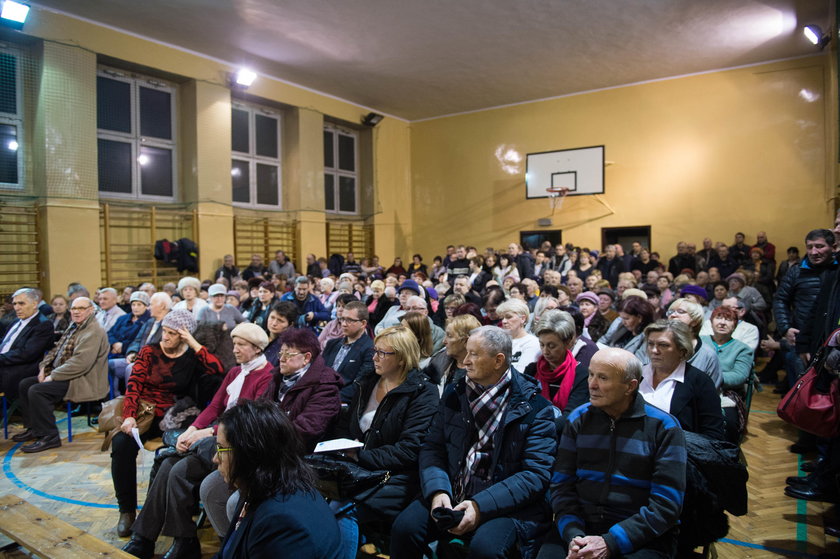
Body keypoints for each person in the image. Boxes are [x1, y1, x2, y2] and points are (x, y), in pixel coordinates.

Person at [390, 326, 557, 559]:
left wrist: (479, 506)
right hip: (453, 490)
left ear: (498, 360)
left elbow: (535, 475)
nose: (465, 361)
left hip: (506, 503)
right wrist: (438, 490)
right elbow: (433, 447)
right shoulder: (455, 393)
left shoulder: (536, 409)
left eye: (474, 354)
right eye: (466, 352)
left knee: (486, 549)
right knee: (404, 528)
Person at [121, 324, 274, 559]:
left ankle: (178, 540)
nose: (234, 349)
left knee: (173, 465)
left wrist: (203, 434)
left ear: (256, 348)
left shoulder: (266, 375)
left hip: (236, 444)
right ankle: (154, 539)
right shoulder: (236, 372)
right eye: (234, 344)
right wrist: (192, 429)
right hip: (215, 437)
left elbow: (246, 421)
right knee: (170, 466)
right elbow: (214, 406)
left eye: (241, 345)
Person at [537, 347, 687, 559]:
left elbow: (666, 506)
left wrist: (610, 542)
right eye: (591, 374)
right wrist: (574, 535)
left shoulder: (663, 427)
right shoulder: (578, 419)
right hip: (582, 526)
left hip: (641, 533)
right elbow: (562, 485)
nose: (592, 384)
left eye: (603, 378)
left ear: (630, 386)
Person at [199, 327, 342, 537]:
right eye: (281, 352)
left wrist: (258, 441)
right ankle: (230, 545)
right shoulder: (278, 378)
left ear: (306, 358)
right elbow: (255, 416)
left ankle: (250, 544)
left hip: (294, 461)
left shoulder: (325, 387)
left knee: (233, 503)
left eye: (288, 354)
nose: (281, 358)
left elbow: (304, 431)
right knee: (210, 489)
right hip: (262, 453)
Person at [111, 309, 225, 537]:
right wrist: (129, 415)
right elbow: (134, 385)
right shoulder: (149, 352)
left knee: (176, 447)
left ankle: (163, 508)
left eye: (173, 333)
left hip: (177, 413)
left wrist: (193, 342)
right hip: (146, 412)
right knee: (121, 444)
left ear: (183, 335)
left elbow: (217, 370)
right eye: (164, 331)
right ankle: (126, 511)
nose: (166, 337)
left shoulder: (190, 356)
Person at [330, 325, 439, 559]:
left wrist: (360, 456)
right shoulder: (368, 381)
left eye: (382, 353)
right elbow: (347, 425)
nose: (375, 357)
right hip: (357, 468)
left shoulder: (422, 392)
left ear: (401, 358)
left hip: (397, 476)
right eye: (375, 351)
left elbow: (410, 449)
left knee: (341, 508)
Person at [214, 400, 343, 558]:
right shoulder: (258, 489)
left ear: (250, 452)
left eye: (221, 448)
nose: (215, 458)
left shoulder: (282, 522)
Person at [14, 297, 109, 453]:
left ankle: (50, 437)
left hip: (83, 379)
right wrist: (43, 368)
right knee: (25, 384)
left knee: (37, 391)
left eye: (81, 308)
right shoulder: (74, 326)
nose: (76, 312)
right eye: (73, 308)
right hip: (66, 374)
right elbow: (55, 350)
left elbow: (81, 363)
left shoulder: (94, 331)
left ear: (91, 310)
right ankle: (35, 429)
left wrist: (53, 376)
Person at [639, 320, 725, 440]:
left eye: (663, 345)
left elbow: (712, 434)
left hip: (677, 452)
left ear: (682, 350)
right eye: (650, 344)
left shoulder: (700, 382)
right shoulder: (637, 374)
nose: (654, 350)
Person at [523, 309, 589, 420]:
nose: (545, 351)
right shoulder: (532, 370)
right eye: (542, 344)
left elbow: (570, 417)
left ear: (568, 343)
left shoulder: (581, 375)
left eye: (552, 346)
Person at [701, 306, 754, 443]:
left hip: (727, 392)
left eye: (728, 319)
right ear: (711, 322)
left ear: (735, 325)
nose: (722, 322)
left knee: (729, 423)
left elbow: (739, 376)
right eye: (718, 318)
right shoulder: (700, 341)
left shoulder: (743, 349)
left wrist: (706, 379)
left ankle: (726, 455)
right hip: (696, 388)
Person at [0, 288, 55, 400]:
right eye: (14, 303)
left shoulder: (43, 324)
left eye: (21, 303)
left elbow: (26, 353)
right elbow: (5, 342)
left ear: (35, 304)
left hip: (19, 368)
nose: (16, 307)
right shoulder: (16, 321)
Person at [323, 300, 375, 403]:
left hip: (340, 402)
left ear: (363, 323)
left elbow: (359, 386)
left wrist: (328, 398)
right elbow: (319, 371)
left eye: (349, 320)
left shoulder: (370, 349)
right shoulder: (332, 344)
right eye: (342, 319)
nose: (343, 324)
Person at [665, 298, 722, 388]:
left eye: (680, 311)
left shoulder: (708, 355)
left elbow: (710, 393)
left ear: (694, 321)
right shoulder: (658, 347)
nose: (673, 315)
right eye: (670, 312)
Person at [424, 313, 482, 394]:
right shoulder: (438, 361)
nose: (444, 341)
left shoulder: (482, 372)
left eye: (449, 336)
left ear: (466, 341)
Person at [597, 296, 655, 362]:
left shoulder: (648, 336)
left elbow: (640, 362)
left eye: (627, 318)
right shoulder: (622, 327)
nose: (623, 322)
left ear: (639, 318)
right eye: (622, 318)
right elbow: (605, 339)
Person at [496, 298, 541, 370]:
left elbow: (522, 373)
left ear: (523, 319)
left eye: (509, 317)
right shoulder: (498, 342)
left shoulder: (532, 343)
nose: (504, 321)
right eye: (502, 318)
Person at [107, 291, 151, 360]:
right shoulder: (123, 318)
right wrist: (115, 344)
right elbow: (110, 333)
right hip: (114, 351)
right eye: (133, 304)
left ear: (146, 306)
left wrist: (123, 347)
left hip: (131, 355)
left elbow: (140, 341)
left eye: (139, 305)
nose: (135, 307)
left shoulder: (149, 321)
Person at [263, 301, 299, 366]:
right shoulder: (259, 336)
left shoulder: (289, 346)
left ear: (290, 325)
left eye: (280, 321)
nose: (274, 323)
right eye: (272, 317)